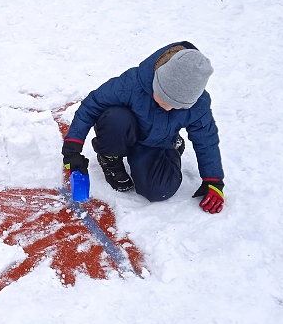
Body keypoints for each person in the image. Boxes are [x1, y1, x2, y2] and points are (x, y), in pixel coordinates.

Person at [61, 41, 225, 214]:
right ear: (157, 79)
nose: (167, 108)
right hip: (126, 129)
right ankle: (109, 157)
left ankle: (172, 148)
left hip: (157, 142)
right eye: (162, 98)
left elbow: (206, 139)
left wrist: (213, 180)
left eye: (176, 106)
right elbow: (91, 105)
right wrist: (73, 148)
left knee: (160, 191)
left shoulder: (199, 105)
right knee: (115, 119)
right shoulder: (132, 83)